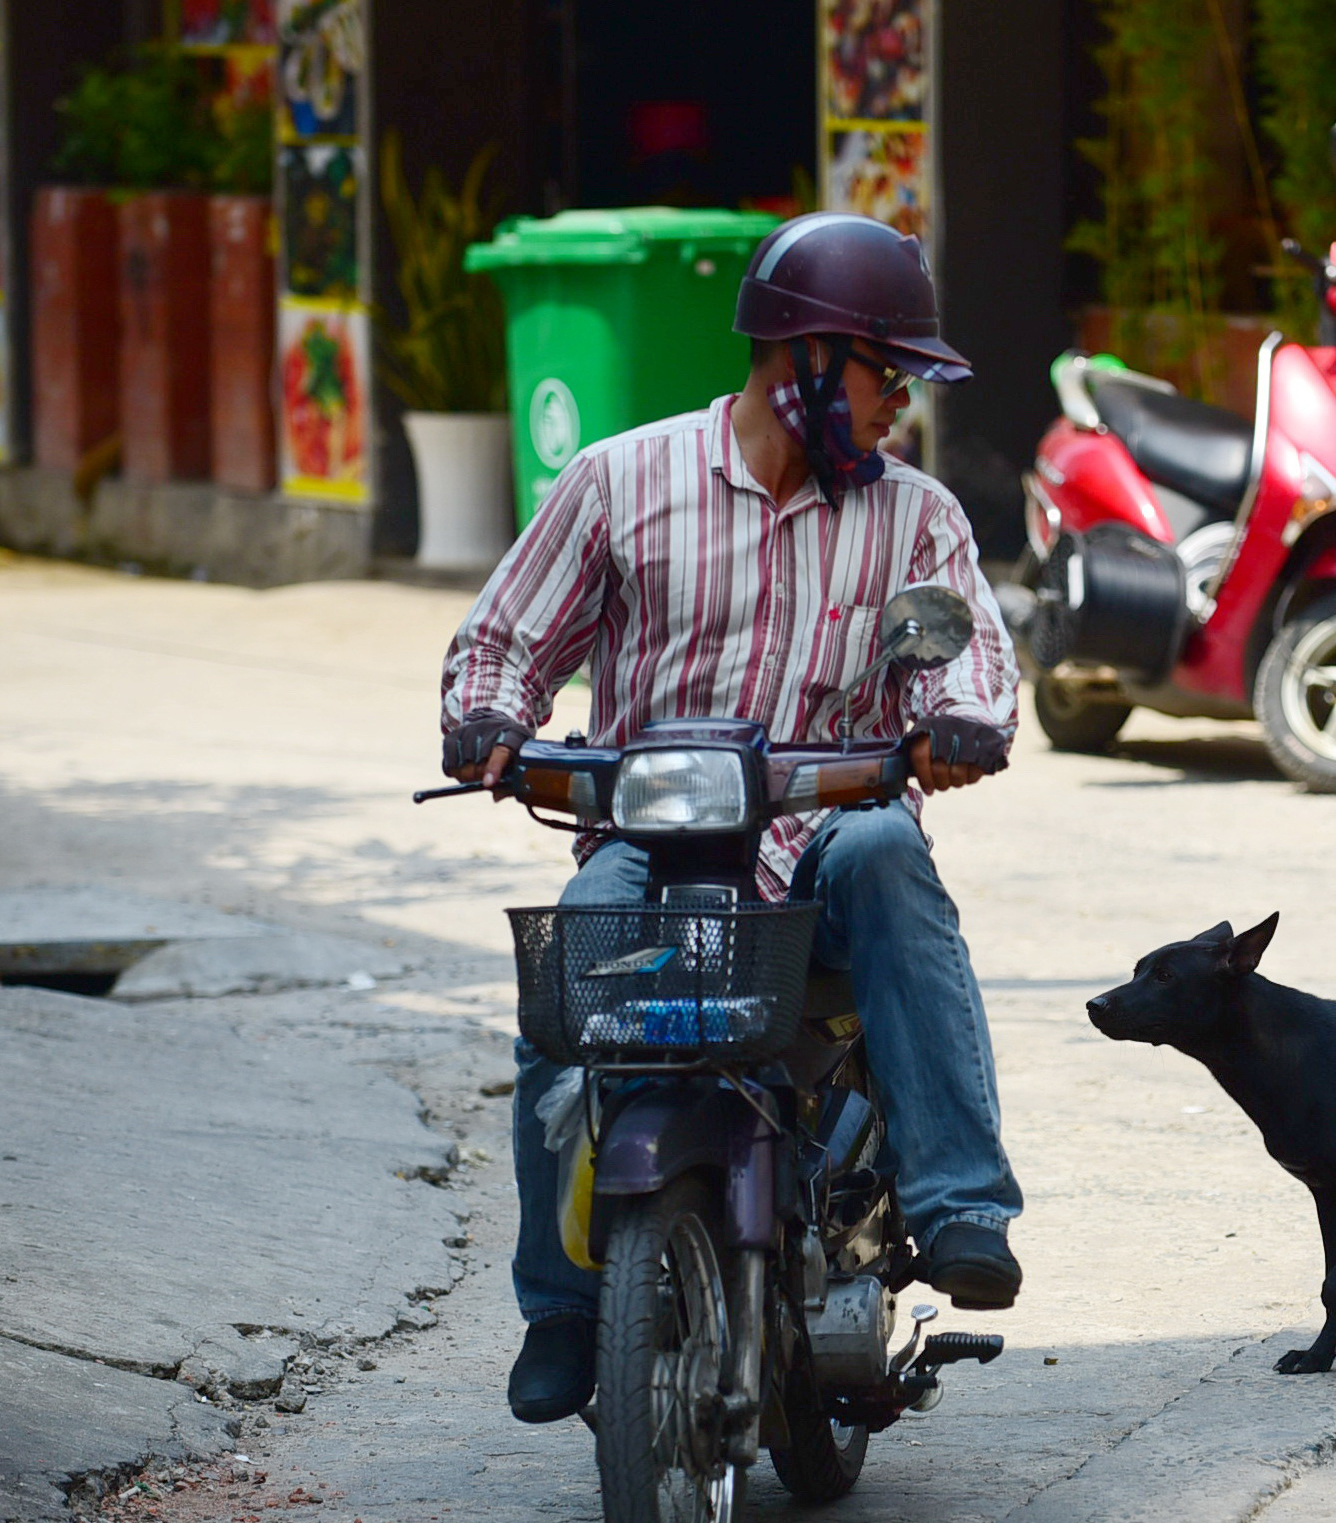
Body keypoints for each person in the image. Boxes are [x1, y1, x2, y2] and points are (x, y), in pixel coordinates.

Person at [439, 213, 1026, 1423]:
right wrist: (488, 720)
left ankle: (963, 1201)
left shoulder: (914, 517)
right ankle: (559, 1307)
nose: (897, 405)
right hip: (647, 845)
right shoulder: (619, 480)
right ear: (804, 359)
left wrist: (960, 722)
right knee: (565, 986)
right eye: (885, 373)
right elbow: (502, 641)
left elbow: (963, 661)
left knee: (887, 849)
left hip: (823, 845)